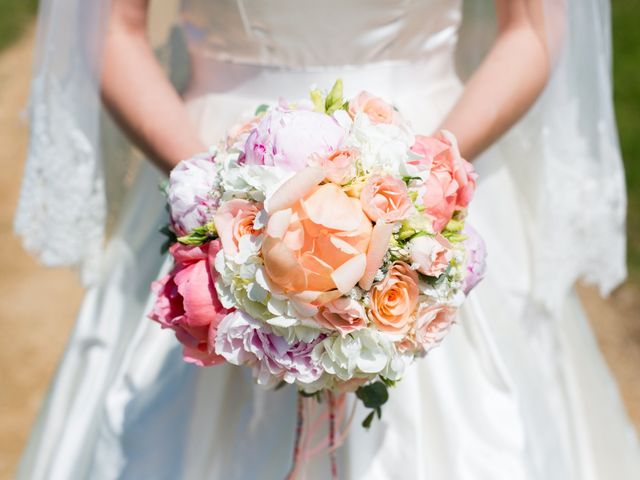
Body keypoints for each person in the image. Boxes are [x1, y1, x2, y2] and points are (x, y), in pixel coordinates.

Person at [14, 0, 640, 478]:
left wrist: (419, 183)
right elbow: (109, 28)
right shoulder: (218, 192)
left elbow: (533, 27)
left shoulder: (422, 179)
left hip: (427, 163)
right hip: (213, 163)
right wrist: (224, 201)